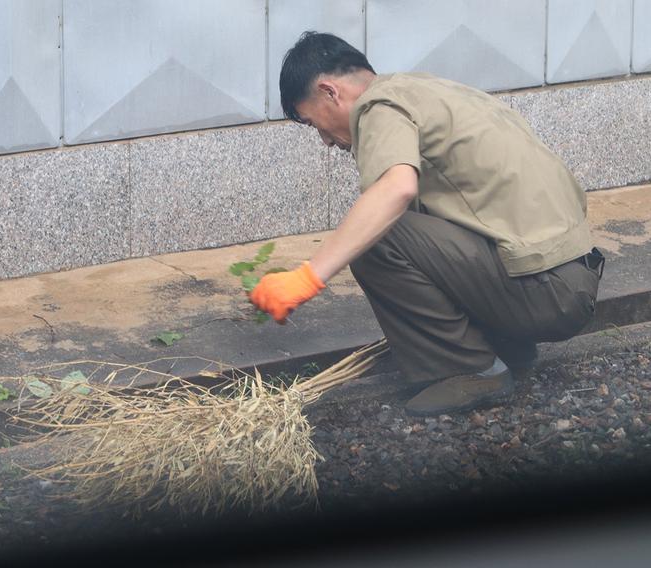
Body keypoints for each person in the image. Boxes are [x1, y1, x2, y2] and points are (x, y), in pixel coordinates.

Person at [250, 32, 604, 416]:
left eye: (312, 122)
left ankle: (471, 369)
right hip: (569, 277)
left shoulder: (378, 106)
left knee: (382, 235)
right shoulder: (428, 90)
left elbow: (395, 189)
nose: (324, 140)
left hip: (548, 291)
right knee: (420, 220)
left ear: (329, 92)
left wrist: (307, 277)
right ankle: (507, 346)